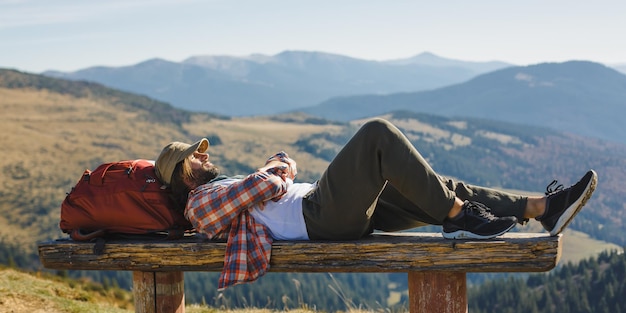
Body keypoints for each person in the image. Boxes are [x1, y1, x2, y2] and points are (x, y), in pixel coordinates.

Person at [154, 118, 597, 290]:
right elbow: (265, 183)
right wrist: (275, 169)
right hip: (319, 216)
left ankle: (541, 208)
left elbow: (278, 168)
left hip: (328, 208)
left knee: (439, 185)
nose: (204, 156)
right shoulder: (199, 203)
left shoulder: (215, 189)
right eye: (195, 156)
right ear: (181, 174)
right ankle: (460, 218)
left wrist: (277, 168)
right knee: (376, 135)